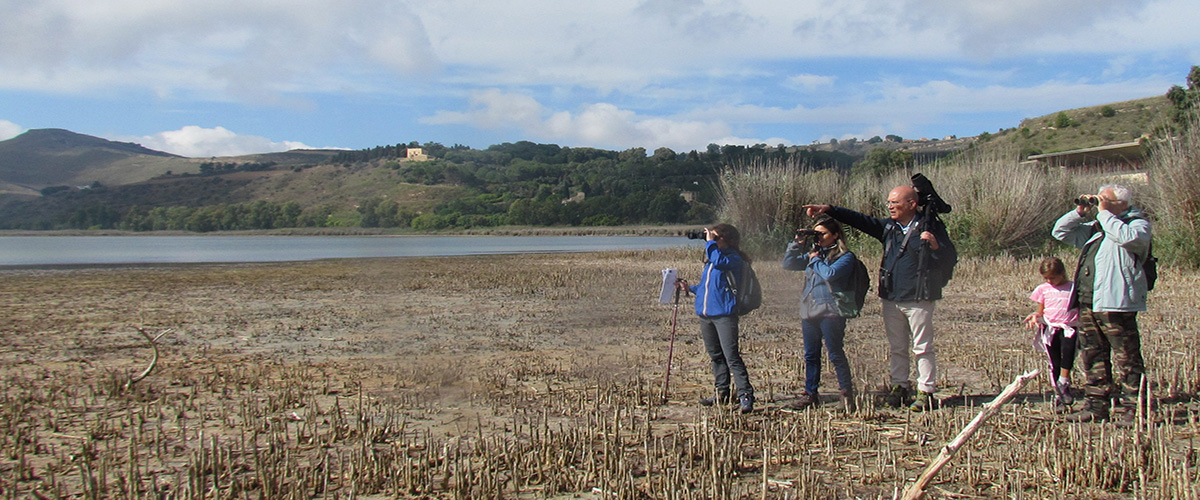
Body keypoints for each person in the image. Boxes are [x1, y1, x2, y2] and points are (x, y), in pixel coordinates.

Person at [803, 184, 955, 412]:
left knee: (922, 347)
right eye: (889, 203)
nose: (890, 207)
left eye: (895, 203)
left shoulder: (931, 227)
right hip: (891, 296)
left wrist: (935, 246)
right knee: (897, 346)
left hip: (919, 296)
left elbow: (950, 258)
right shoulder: (889, 228)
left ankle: (926, 391)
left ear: (912, 204)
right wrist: (829, 209)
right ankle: (899, 387)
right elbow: (861, 220)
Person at [1052, 184, 1151, 423]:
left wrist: (1104, 212)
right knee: (1092, 355)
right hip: (1089, 301)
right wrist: (1080, 212)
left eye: (1105, 200)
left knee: (1126, 357)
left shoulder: (1137, 224)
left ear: (1121, 204)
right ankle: (1096, 405)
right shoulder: (1097, 229)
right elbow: (1060, 232)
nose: (1099, 204)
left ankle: (1134, 408)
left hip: (1117, 303)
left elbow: (1128, 239)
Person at [675, 223, 756, 414]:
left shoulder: (732, 259)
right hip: (706, 314)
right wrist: (689, 288)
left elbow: (719, 262)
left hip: (725, 314)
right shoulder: (712, 260)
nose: (710, 240)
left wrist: (710, 243)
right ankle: (722, 392)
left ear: (728, 240)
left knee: (731, 357)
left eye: (716, 237)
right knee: (716, 356)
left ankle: (745, 395)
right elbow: (707, 287)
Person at [782, 217, 857, 411]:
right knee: (811, 355)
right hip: (810, 311)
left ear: (835, 235)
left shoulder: (846, 257)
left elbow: (830, 274)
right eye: (816, 234)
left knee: (835, 353)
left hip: (832, 311)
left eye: (822, 234)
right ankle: (810, 393)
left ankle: (846, 394)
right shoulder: (814, 255)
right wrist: (797, 244)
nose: (819, 238)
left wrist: (814, 259)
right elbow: (788, 264)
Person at [1023, 257, 1079, 412]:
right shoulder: (1044, 289)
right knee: (1054, 362)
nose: (1049, 281)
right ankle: (1059, 395)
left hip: (1069, 328)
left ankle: (1064, 382)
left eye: (1052, 277)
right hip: (1050, 329)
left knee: (1067, 356)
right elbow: (1040, 309)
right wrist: (1035, 316)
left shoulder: (1073, 288)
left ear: (1062, 273)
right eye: (1046, 278)